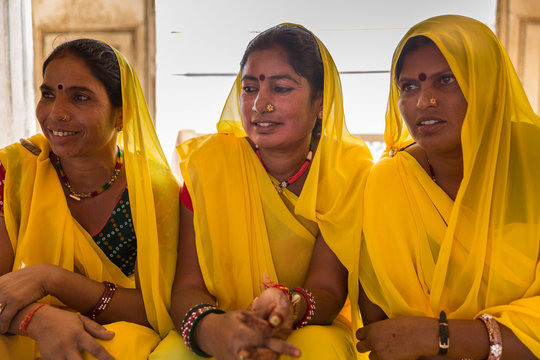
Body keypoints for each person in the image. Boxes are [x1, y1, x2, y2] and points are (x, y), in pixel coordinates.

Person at [151, 24, 372, 360]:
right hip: (217, 320)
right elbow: (186, 287)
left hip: (305, 322)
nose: (259, 105)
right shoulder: (208, 167)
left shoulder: (345, 171)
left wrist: (287, 306)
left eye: (281, 89)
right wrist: (212, 330)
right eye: (250, 88)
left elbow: (328, 287)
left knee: (317, 352)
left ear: (321, 103)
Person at [356, 15, 540, 359]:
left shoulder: (534, 163)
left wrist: (442, 337)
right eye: (408, 87)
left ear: (487, 84)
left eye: (446, 80)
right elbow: (383, 331)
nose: (424, 101)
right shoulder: (390, 183)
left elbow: (410, 336)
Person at [0, 39, 179, 360]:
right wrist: (37, 319)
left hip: (115, 331)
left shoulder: (152, 188)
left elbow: (153, 309)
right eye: (48, 94)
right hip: (22, 328)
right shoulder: (15, 171)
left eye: (80, 97)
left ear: (121, 115)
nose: (56, 113)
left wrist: (50, 279)